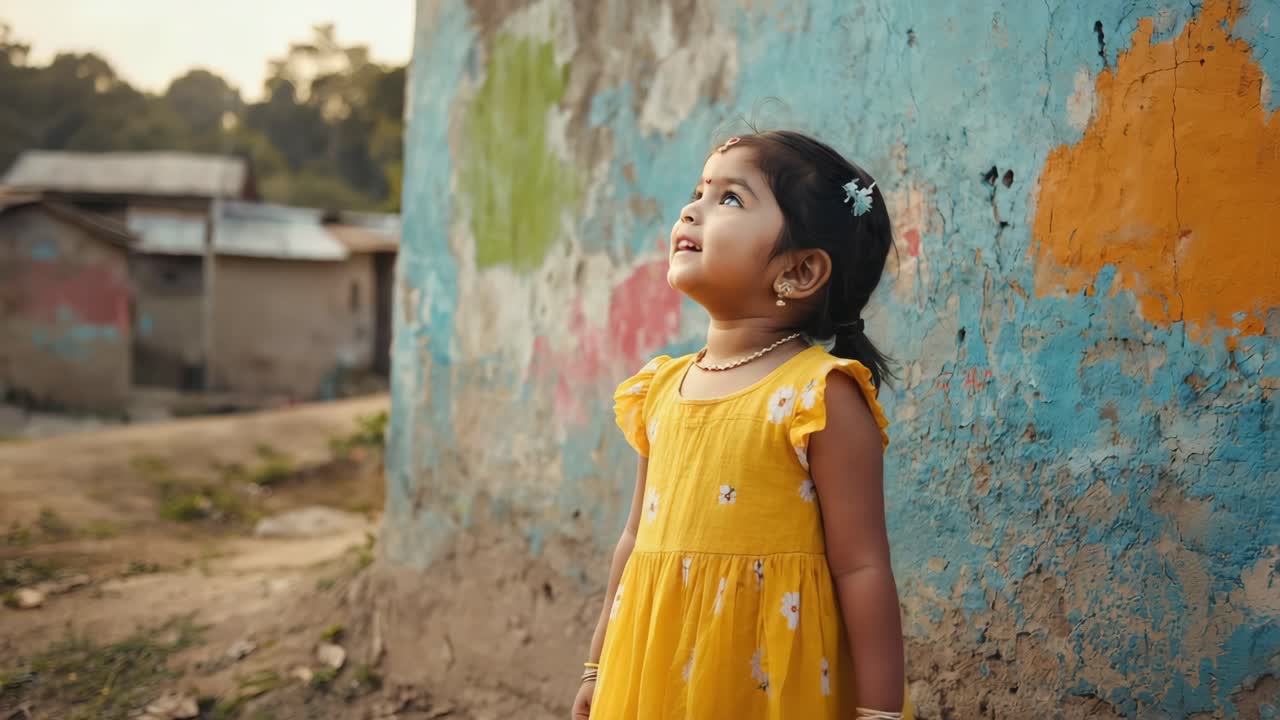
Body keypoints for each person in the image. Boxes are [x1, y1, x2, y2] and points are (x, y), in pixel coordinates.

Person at [571, 130, 913, 720]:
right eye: (699, 191)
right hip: (652, 669)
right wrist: (599, 665)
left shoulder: (818, 395)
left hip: (765, 683)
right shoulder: (660, 388)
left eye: (729, 199)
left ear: (801, 270)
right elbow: (634, 540)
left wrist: (879, 713)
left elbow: (862, 567)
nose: (692, 209)